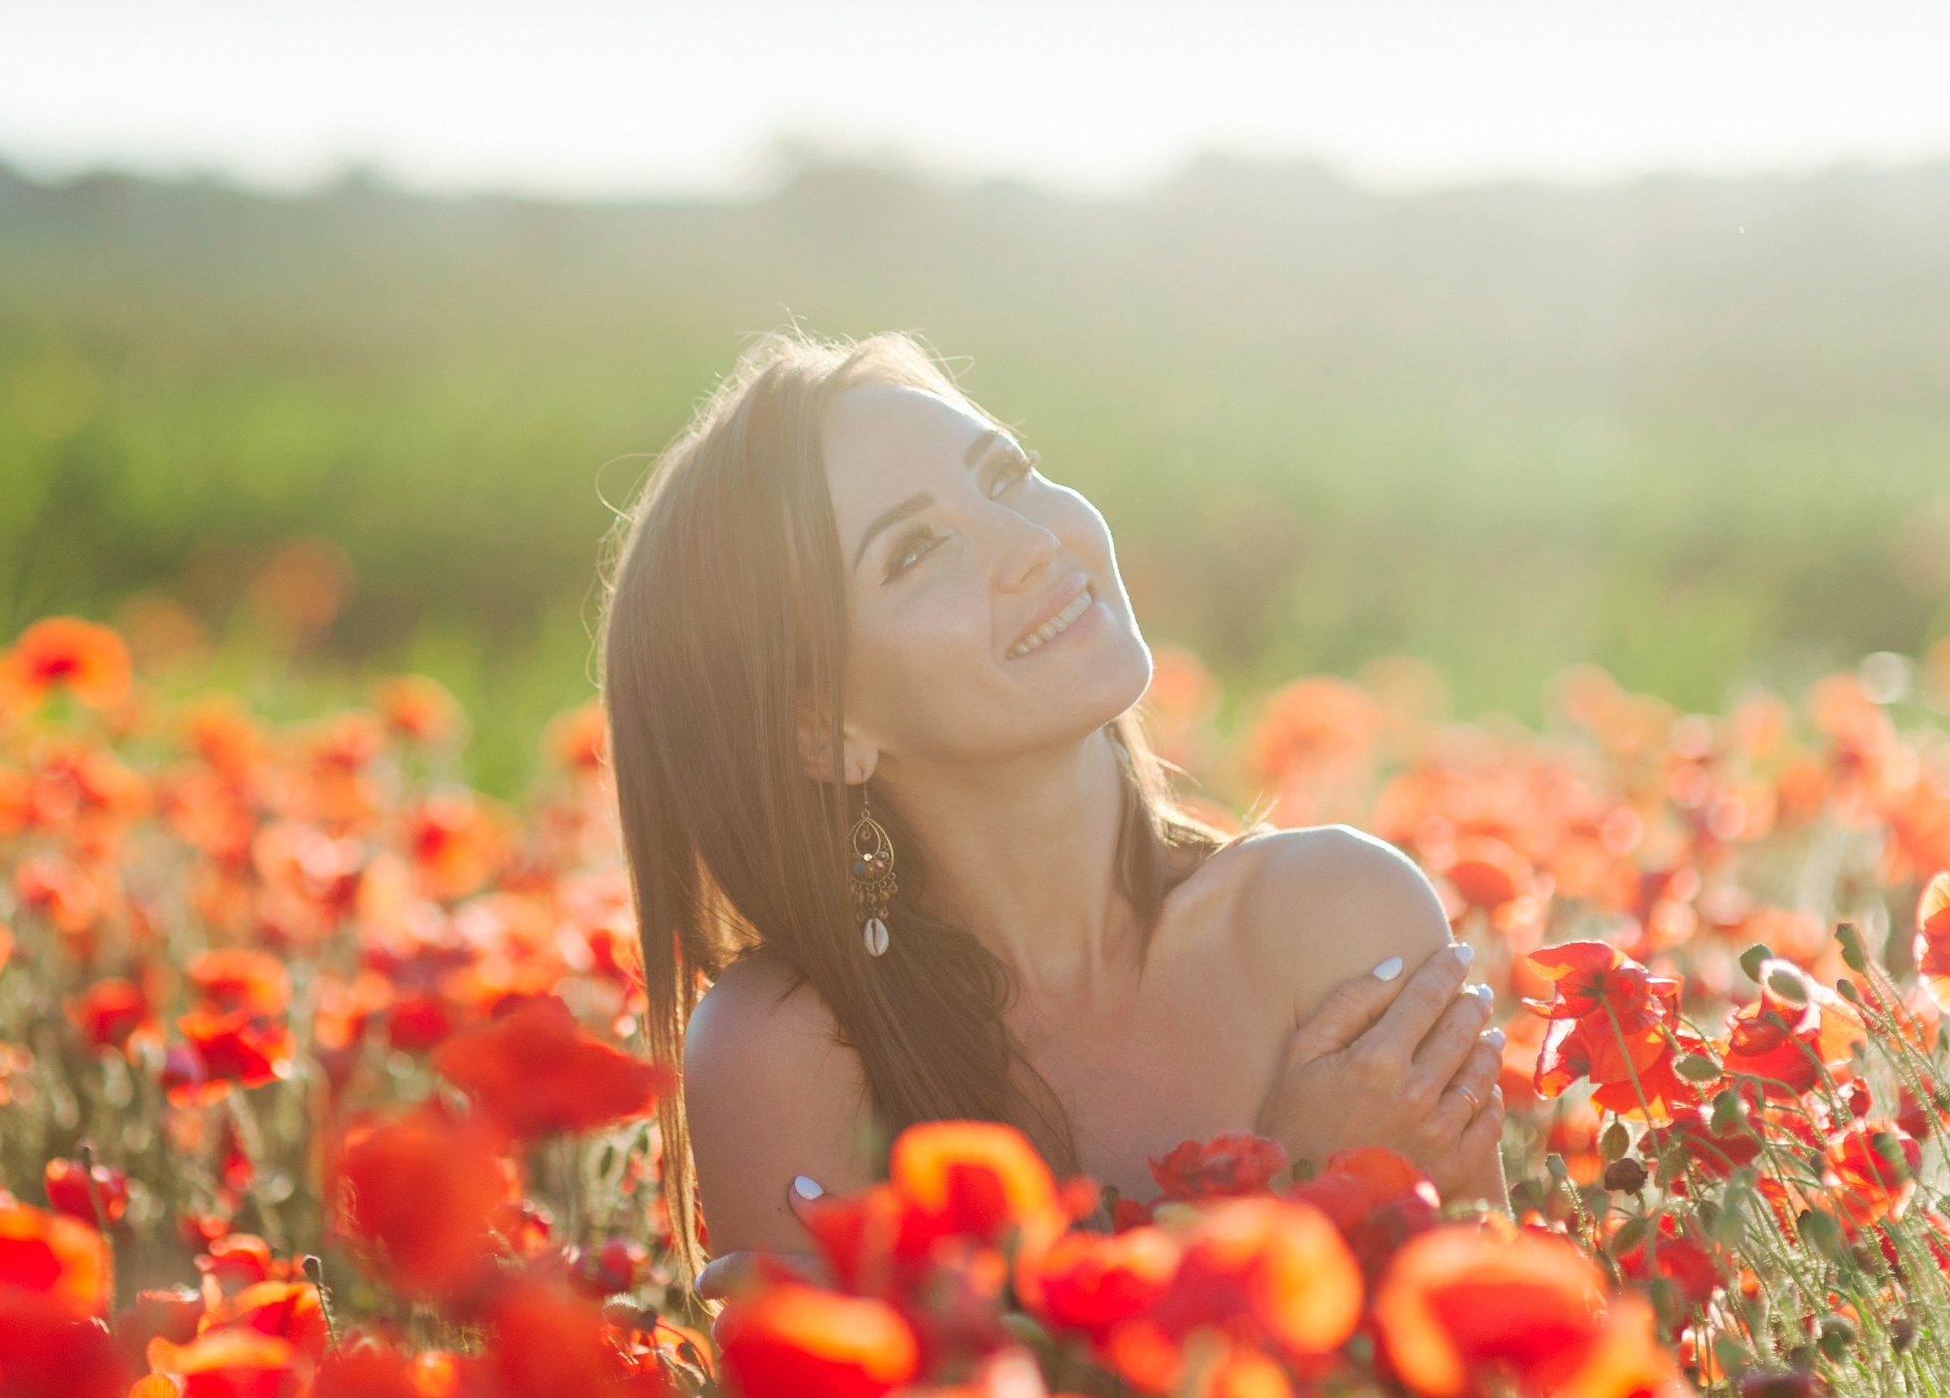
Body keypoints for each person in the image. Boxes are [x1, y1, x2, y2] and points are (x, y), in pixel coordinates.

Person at [595, 330, 1507, 1298]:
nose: (1031, 542)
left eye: (1008, 475)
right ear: (820, 730)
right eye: (915, 548)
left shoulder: (1333, 918)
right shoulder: (793, 1047)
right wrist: (1294, 1188)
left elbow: (1506, 1360)